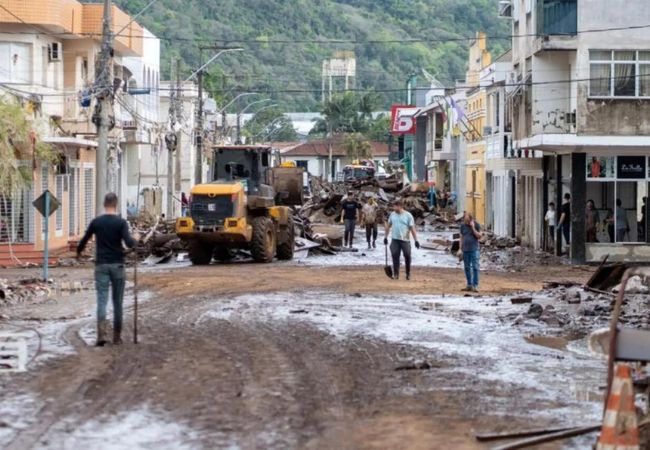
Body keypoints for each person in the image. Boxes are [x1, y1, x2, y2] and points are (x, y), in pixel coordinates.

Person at [77, 193, 137, 347]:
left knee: (102, 301)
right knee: (118, 302)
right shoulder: (121, 223)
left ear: (105, 204)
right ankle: (117, 337)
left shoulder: (97, 222)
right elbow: (129, 243)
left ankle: (101, 335)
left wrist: (78, 252)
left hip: (101, 265)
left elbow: (84, 240)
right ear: (116, 204)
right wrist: (136, 240)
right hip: (117, 265)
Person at [384, 200, 420, 280]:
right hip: (395, 240)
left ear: (400, 206)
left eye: (395, 206)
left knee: (407, 255)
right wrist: (385, 237)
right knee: (395, 256)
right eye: (393, 206)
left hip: (405, 240)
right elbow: (388, 226)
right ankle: (396, 274)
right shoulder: (392, 215)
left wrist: (416, 240)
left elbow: (412, 228)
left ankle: (408, 273)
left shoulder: (408, 216)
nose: (393, 208)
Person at [459, 212, 482, 292]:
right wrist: (460, 248)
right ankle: (469, 285)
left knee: (475, 267)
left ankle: (475, 285)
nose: (466, 221)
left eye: (467, 219)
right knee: (467, 268)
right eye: (465, 219)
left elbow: (479, 236)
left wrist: (472, 227)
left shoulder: (476, 225)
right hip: (465, 250)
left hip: (474, 249)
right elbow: (461, 237)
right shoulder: (462, 226)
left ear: (470, 218)